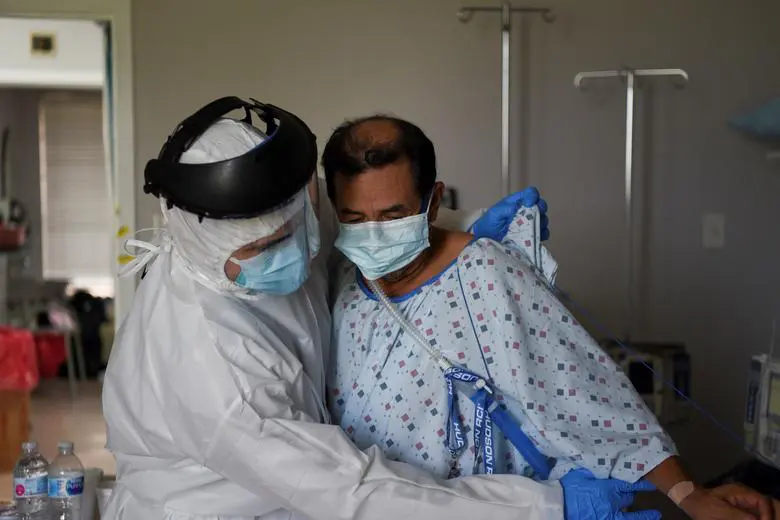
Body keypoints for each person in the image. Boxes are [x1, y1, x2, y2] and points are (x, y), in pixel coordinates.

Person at [103, 96, 657, 520]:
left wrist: (464, 229)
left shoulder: (281, 219)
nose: (293, 250)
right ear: (204, 246)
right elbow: (352, 491)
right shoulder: (211, 371)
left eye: (296, 227)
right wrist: (545, 507)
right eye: (262, 249)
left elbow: (371, 219)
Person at [323, 115, 775, 520]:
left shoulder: (485, 274)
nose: (374, 238)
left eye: (394, 216)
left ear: (433, 201)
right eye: (355, 219)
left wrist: (690, 495)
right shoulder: (344, 276)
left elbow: (585, 396)